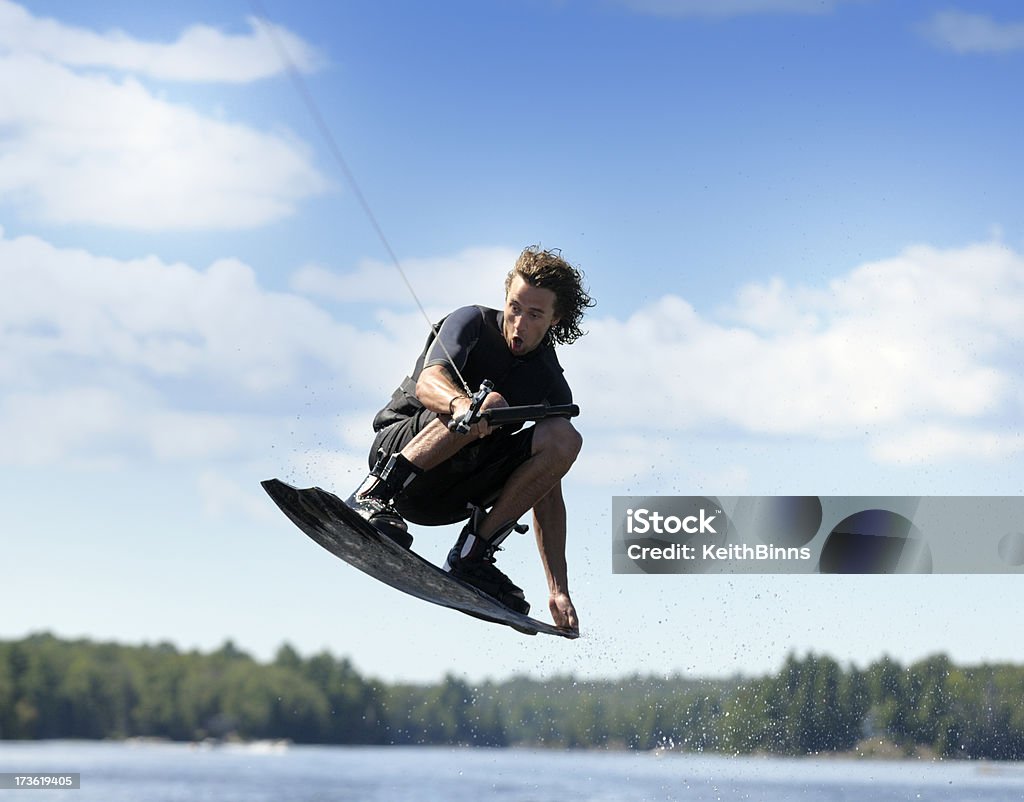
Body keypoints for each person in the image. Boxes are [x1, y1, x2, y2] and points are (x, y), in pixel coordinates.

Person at [346, 246, 594, 631]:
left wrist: (558, 586)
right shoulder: (471, 323)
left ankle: (472, 556)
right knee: (489, 404)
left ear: (555, 319)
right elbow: (430, 382)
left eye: (534, 315)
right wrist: (462, 404)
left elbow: (547, 489)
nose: (518, 324)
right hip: (399, 452)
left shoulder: (549, 380)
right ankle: (371, 496)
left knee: (564, 438)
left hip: (449, 496)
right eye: (514, 307)